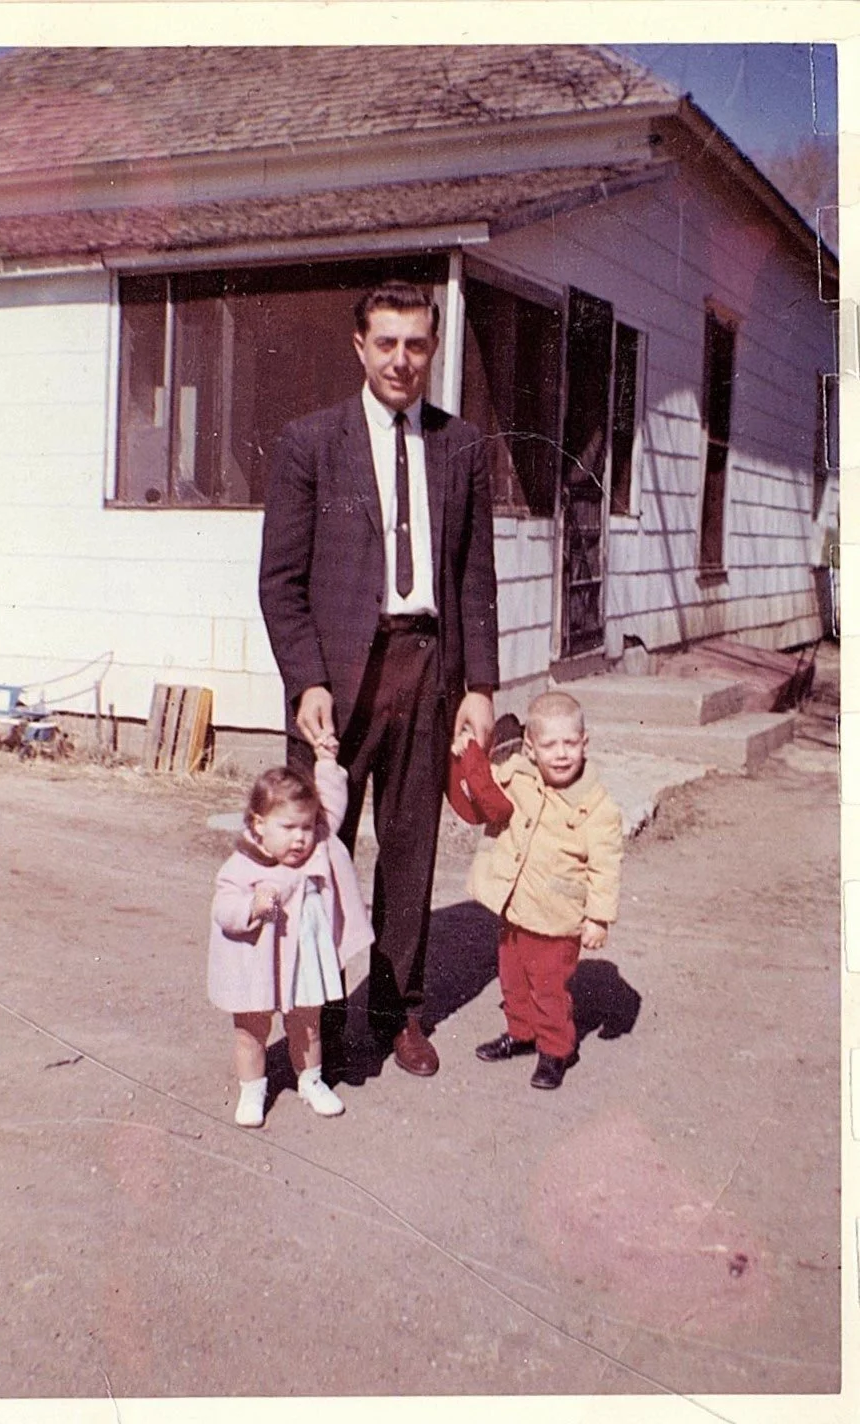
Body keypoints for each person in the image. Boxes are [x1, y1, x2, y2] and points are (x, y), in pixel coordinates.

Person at [259, 279, 498, 1077]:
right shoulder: (308, 443)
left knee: (409, 852)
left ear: (434, 349)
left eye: (417, 344)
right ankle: (316, 1022)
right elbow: (280, 582)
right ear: (359, 346)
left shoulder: (461, 445)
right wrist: (305, 682)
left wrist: (479, 686)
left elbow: (473, 578)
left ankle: (398, 1012)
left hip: (426, 671)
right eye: (386, 342)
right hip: (337, 683)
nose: (401, 359)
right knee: (313, 857)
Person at [448, 690, 623, 1089]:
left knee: (548, 988)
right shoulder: (519, 774)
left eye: (570, 743)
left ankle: (556, 1049)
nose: (561, 754)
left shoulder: (596, 807)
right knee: (512, 978)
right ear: (531, 747)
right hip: (516, 907)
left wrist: (598, 916)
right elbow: (489, 794)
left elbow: (606, 865)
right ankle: (522, 1033)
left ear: (585, 744)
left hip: (558, 916)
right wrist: (468, 755)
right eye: (549, 745)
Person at [207, 746, 373, 1127]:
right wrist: (250, 906)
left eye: (306, 826)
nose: (300, 838)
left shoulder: (318, 847)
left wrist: (328, 762)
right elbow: (223, 909)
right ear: (259, 823)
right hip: (258, 964)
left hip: (304, 961)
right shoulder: (244, 864)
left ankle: (311, 1080)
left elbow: (332, 804)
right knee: (252, 1027)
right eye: (288, 828)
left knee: (308, 1022)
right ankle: (252, 1088)